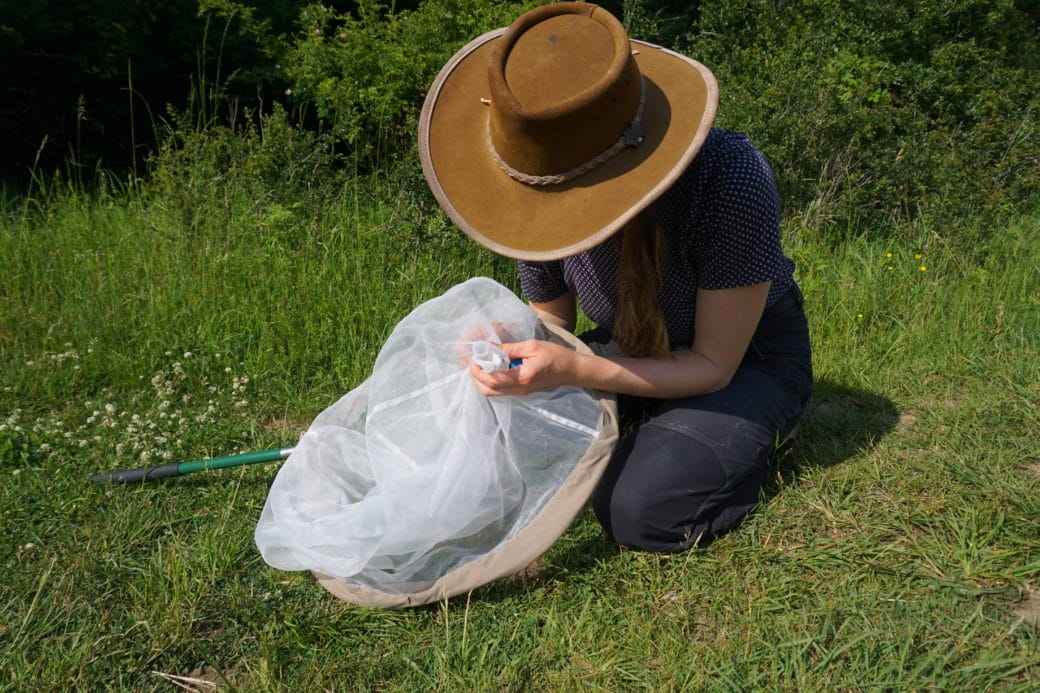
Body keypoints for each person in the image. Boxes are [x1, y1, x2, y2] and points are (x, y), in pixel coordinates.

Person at [418, 2, 812, 552]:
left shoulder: (730, 178)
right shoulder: (534, 194)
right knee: (501, 431)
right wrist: (509, 343)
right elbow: (550, 322)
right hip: (630, 344)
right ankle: (653, 421)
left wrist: (578, 369)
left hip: (745, 360)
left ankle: (763, 431)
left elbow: (712, 364)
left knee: (638, 509)